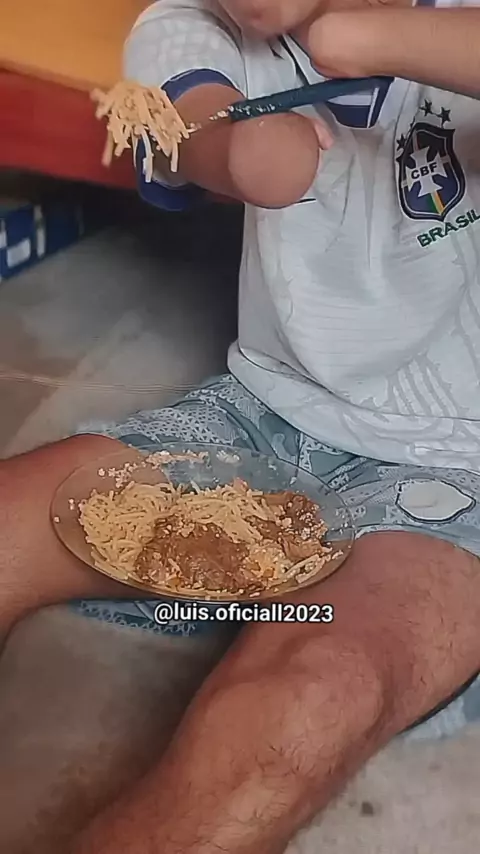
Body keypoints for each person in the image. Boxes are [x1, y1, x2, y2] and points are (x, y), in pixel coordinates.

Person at [2, 0, 480, 851]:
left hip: (462, 464)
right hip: (261, 418)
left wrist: (363, 36)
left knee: (307, 697)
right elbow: (187, 117)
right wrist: (232, 149)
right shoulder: (188, 25)